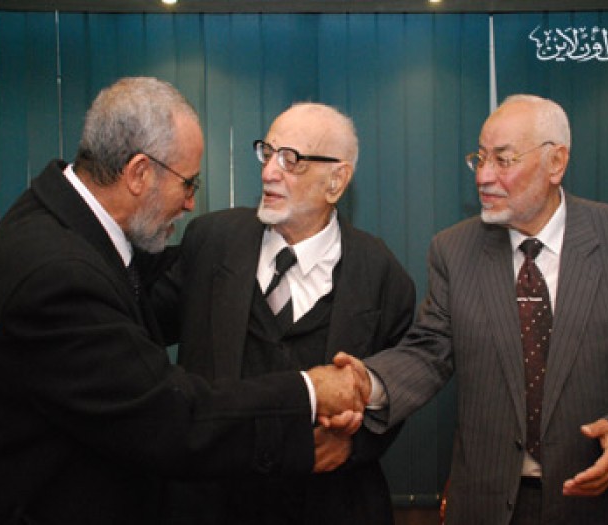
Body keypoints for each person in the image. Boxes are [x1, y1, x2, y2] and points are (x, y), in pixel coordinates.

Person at [0, 77, 365, 525]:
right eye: (189, 183)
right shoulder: (59, 276)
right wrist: (310, 391)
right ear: (139, 174)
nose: (190, 203)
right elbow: (171, 418)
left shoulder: (62, 221)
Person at [335, 94, 608, 524]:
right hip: (490, 503)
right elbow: (428, 351)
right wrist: (369, 383)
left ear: (556, 162)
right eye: (480, 158)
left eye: (503, 160)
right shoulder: (453, 250)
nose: (483, 176)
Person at [153, 102, 415, 525]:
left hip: (330, 504)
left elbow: (399, 388)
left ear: (336, 180)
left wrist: (355, 444)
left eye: (290, 159)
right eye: (268, 153)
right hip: (213, 502)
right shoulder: (211, 242)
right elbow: (137, 322)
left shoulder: (382, 274)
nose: (269, 172)